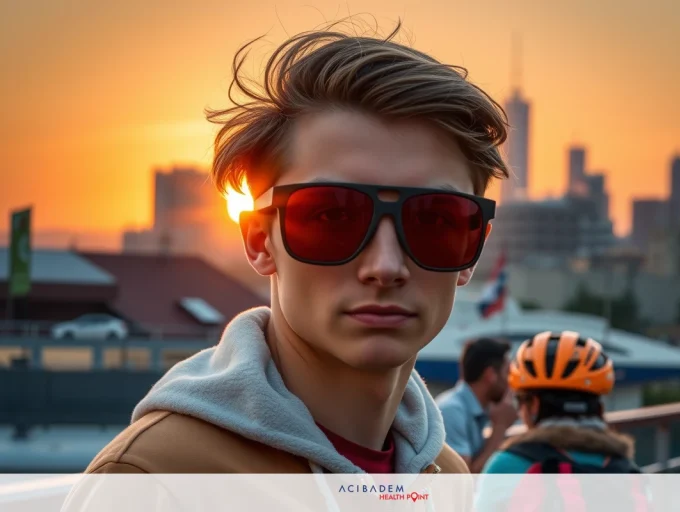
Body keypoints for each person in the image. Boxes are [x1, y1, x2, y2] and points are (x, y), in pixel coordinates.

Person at [82, 20, 509, 477]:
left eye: (435, 220)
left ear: (473, 248)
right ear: (259, 240)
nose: (385, 267)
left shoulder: (444, 476)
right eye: (332, 216)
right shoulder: (155, 478)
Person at [475, 331, 642, 510]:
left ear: (534, 406)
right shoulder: (629, 472)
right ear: (599, 408)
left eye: (520, 400)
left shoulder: (508, 465)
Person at [436, 338, 518, 473]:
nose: (510, 383)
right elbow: (465, 476)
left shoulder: (473, 408)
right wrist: (500, 427)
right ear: (490, 375)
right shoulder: (452, 411)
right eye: (507, 373)